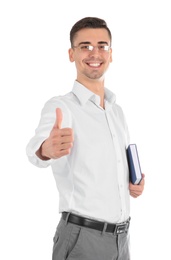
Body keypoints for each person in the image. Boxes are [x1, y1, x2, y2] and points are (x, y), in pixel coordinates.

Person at [26, 17, 145, 260]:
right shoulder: (61, 107)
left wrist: (132, 184)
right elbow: (35, 152)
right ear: (72, 54)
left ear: (110, 54)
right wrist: (46, 149)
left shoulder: (116, 111)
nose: (95, 53)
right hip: (83, 240)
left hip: (122, 240)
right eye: (85, 46)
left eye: (102, 46)